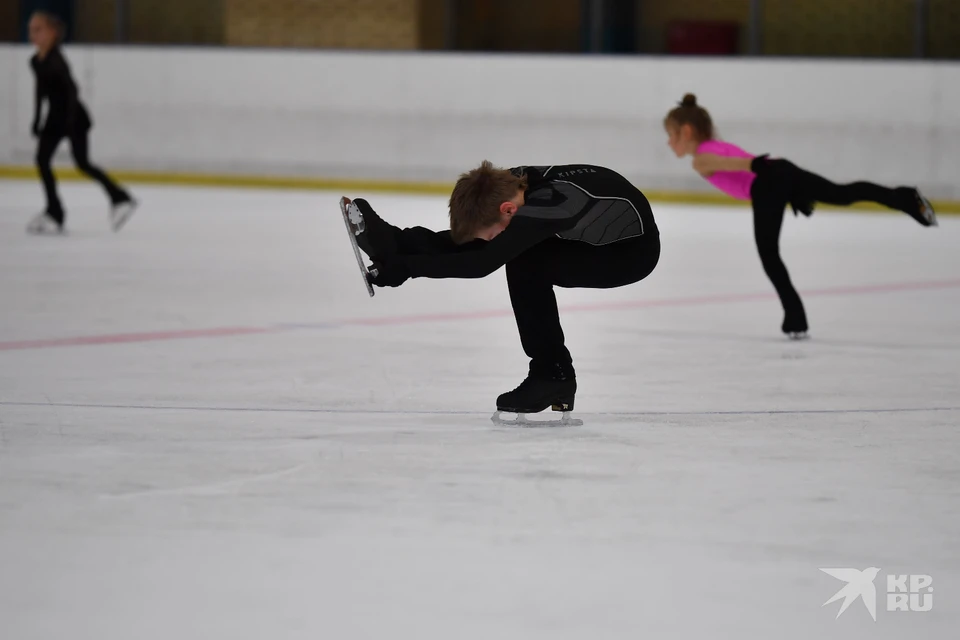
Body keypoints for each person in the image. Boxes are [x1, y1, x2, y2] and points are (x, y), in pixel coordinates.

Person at [344, 161, 661, 420]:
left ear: (509, 210)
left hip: (629, 254)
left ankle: (554, 374)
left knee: (524, 261)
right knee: (506, 246)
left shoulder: (556, 202)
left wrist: (408, 269)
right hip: (583, 235)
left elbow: (483, 262)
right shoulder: (508, 186)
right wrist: (399, 251)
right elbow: (479, 239)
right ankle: (394, 240)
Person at [664, 93, 937, 339]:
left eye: (671, 135)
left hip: (766, 182)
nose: (668, 142)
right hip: (780, 170)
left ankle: (795, 318)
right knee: (842, 194)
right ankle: (904, 198)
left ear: (686, 132)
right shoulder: (715, 144)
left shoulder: (701, 158)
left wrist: (753, 164)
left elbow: (725, 164)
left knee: (769, 255)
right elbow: (728, 160)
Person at [26, 11, 136, 235]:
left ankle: (120, 196)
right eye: (31, 30)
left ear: (52, 33)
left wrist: (68, 123)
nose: (33, 35)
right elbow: (40, 91)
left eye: (38, 30)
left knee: (82, 163)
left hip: (73, 116)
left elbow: (71, 91)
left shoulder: (57, 62)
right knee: (42, 160)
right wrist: (37, 118)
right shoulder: (36, 61)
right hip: (56, 118)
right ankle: (55, 211)